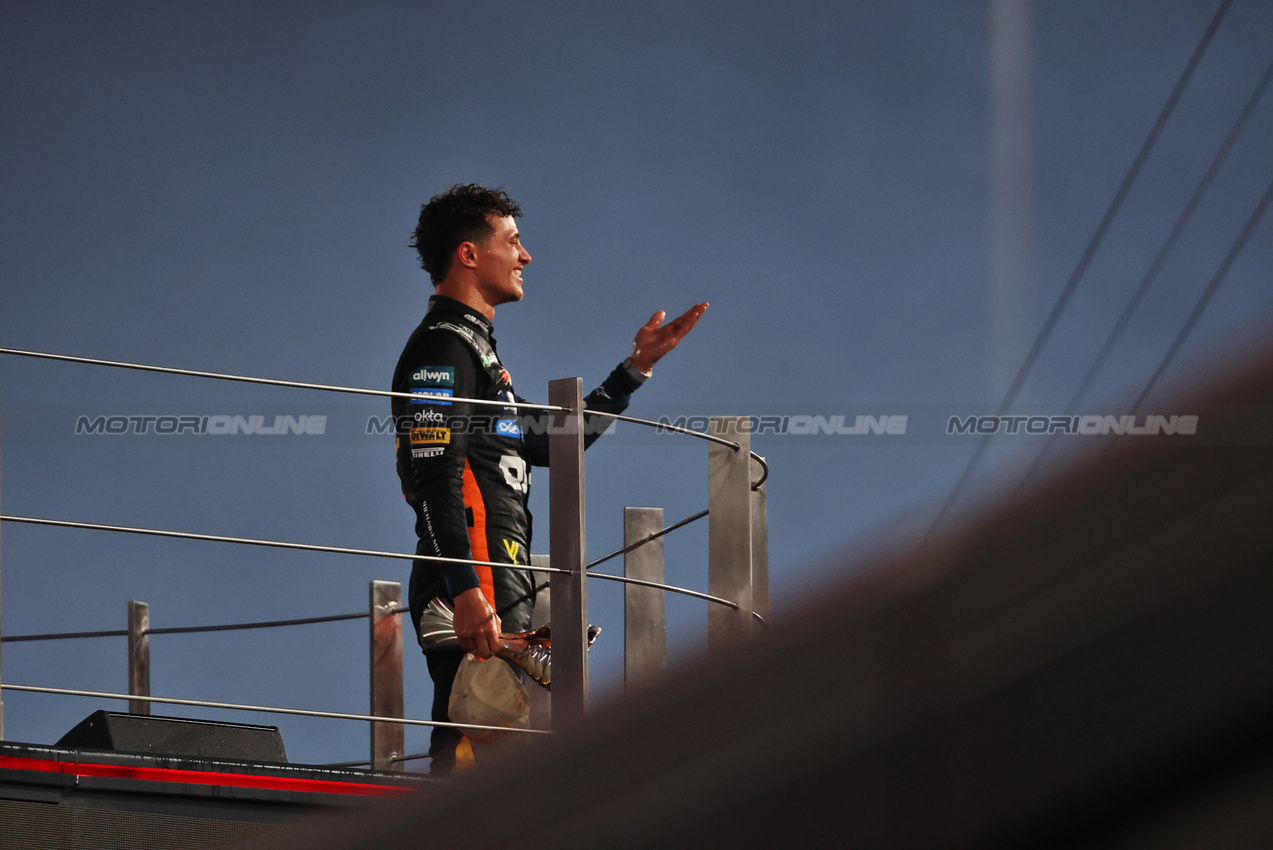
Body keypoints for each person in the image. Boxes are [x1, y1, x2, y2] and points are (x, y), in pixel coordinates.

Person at [392, 183, 706, 773]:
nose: (526, 255)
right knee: (476, 758)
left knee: (492, 753)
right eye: (513, 241)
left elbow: (552, 441)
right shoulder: (443, 345)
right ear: (468, 254)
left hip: (496, 583)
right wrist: (465, 591)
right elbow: (433, 474)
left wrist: (635, 369)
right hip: (475, 584)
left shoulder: (476, 350)